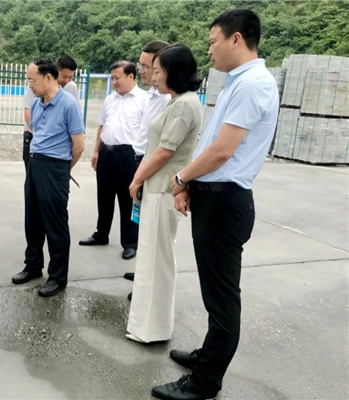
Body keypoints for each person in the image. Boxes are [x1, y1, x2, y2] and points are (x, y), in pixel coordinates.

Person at [151, 9, 280, 400]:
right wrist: (190, 183)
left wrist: (180, 178)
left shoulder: (253, 84)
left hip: (225, 203)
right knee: (214, 293)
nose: (208, 50)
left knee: (222, 298)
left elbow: (223, 151)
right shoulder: (238, 82)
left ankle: (205, 382)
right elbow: (211, 144)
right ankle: (208, 355)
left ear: (236, 39)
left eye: (213, 41)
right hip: (215, 197)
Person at [125, 44, 203, 344]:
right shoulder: (177, 102)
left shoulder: (184, 105)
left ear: (175, 72)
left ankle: (153, 329)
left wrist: (137, 179)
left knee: (158, 259)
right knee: (151, 257)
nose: (153, 76)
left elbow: (163, 152)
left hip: (162, 189)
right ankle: (145, 326)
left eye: (158, 71)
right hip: (157, 187)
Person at [11, 57, 85, 297]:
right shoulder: (36, 104)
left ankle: (57, 277)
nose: (30, 85)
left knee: (55, 224)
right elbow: (37, 132)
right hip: (34, 163)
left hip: (55, 167)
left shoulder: (69, 105)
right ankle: (33, 265)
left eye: (32, 80)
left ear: (49, 77)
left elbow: (79, 146)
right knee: (32, 220)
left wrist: (63, 170)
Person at [78, 61, 149, 260]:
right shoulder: (110, 99)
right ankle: (101, 234)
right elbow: (102, 126)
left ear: (131, 76)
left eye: (117, 78)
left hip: (129, 155)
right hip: (107, 153)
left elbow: (148, 131)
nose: (114, 82)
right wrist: (96, 151)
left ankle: (130, 242)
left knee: (128, 199)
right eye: (112, 78)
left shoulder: (144, 100)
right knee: (104, 196)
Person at [122, 40, 172, 285]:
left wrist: (141, 174)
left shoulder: (167, 99)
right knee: (141, 220)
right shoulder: (152, 95)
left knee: (152, 226)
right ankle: (143, 271)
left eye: (146, 66)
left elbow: (164, 146)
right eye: (140, 65)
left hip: (151, 164)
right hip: (140, 159)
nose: (140, 70)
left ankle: (149, 280)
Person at [23, 55, 79, 170]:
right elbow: (28, 114)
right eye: (64, 76)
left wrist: (63, 169)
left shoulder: (70, 91)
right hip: (34, 138)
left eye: (70, 77)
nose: (67, 81)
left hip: (57, 150)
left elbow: (75, 123)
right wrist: (43, 139)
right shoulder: (35, 87)